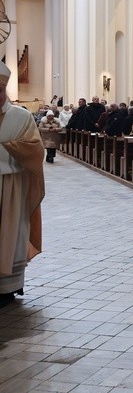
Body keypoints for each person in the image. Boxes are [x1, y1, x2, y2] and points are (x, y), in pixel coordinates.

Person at [0, 62, 45, 308]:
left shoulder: (22, 116)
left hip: (12, 187)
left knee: (11, 234)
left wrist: (6, 147)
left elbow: (34, 150)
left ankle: (9, 286)